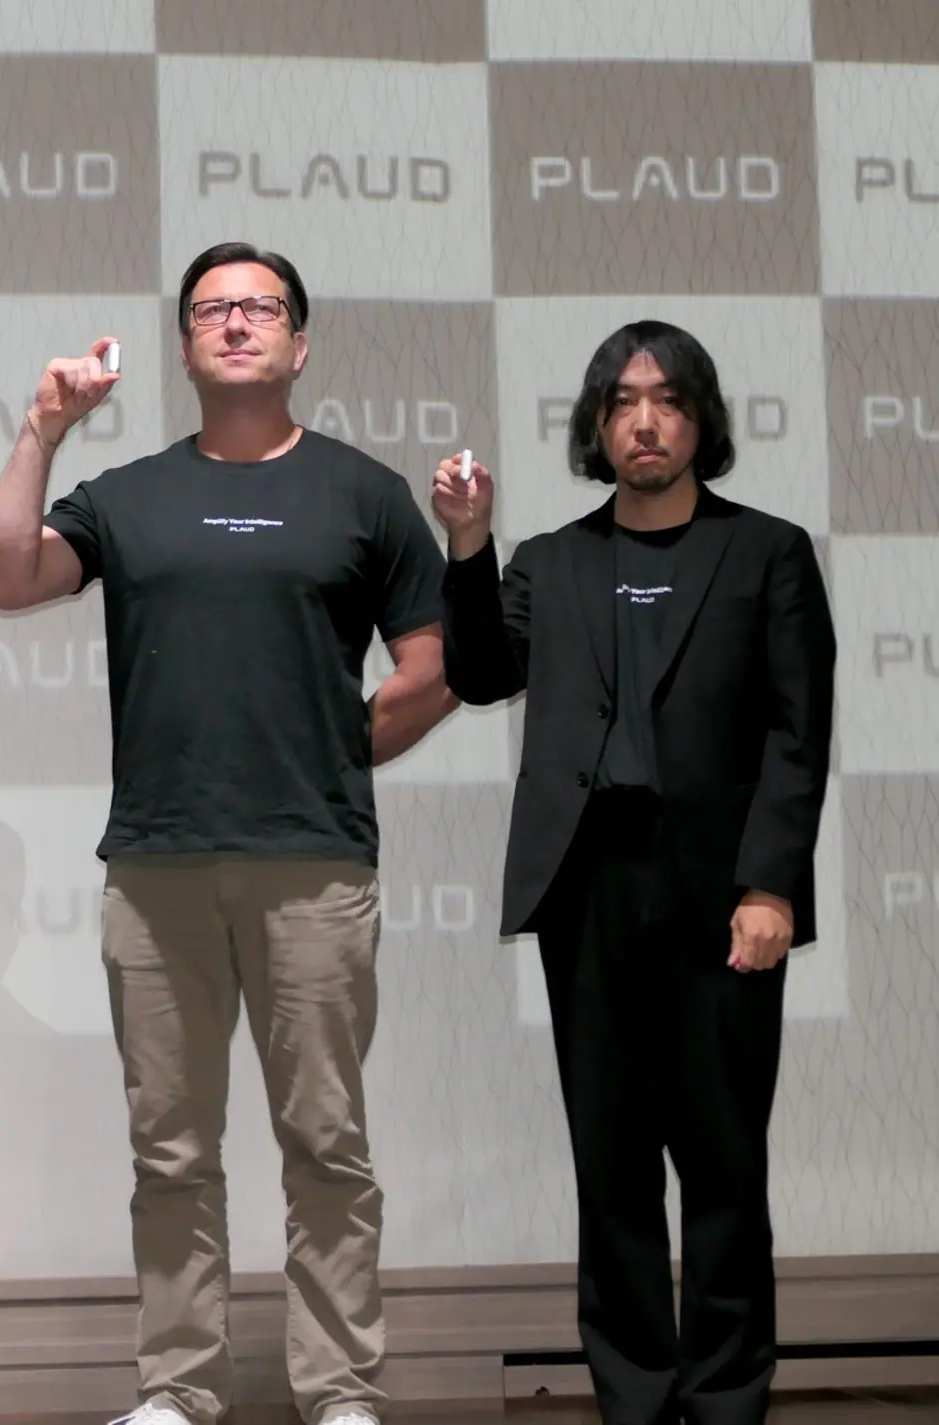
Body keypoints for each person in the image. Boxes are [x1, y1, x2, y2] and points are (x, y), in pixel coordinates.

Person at [0, 241, 455, 1425]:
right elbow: (2, 576)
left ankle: (338, 1390)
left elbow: (434, 665)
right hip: (156, 866)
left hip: (314, 865)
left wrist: (332, 752)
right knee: (170, 1153)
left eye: (259, 308)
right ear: (185, 347)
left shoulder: (364, 494)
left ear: (299, 343)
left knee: (326, 1145)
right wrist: (42, 428)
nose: (235, 323)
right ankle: (179, 1389)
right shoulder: (128, 495)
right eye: (210, 310)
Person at [433, 321, 835, 1425]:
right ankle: (635, 1397)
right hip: (589, 888)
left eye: (665, 400)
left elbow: (798, 733)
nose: (643, 422)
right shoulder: (549, 560)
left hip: (722, 895)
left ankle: (727, 1397)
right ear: (595, 426)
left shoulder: (767, 552)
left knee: (723, 1165)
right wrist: (468, 545)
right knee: (610, 1170)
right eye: (620, 402)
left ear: (700, 419)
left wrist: (771, 886)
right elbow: (479, 674)